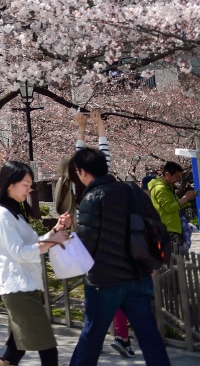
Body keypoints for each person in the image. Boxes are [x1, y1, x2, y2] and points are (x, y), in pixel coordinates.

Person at [69, 147, 172, 366]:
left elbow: (87, 245)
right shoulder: (131, 190)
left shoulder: (91, 198)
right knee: (149, 335)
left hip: (105, 281)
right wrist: (153, 260)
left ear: (82, 171)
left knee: (92, 335)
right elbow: (156, 226)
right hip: (139, 275)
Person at [64, 111, 134, 359]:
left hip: (92, 249)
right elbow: (93, 160)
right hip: (103, 248)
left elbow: (91, 159)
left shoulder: (84, 188)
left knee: (98, 291)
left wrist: (87, 129)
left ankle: (105, 335)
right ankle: (118, 337)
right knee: (109, 291)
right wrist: (96, 127)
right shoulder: (99, 186)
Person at [0, 161, 71, 366]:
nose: (29, 189)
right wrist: (53, 241)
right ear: (9, 184)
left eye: (30, 184)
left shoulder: (14, 213)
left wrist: (54, 232)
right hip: (18, 290)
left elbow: (33, 244)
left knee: (15, 349)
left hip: (26, 287)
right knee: (47, 346)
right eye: (25, 184)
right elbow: (19, 253)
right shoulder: (2, 214)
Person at [148, 161, 197, 251]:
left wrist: (186, 198)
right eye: (176, 176)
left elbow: (176, 204)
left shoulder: (166, 187)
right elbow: (169, 208)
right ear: (167, 174)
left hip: (171, 227)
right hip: (169, 229)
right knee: (176, 260)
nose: (178, 180)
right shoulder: (161, 188)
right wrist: (185, 199)